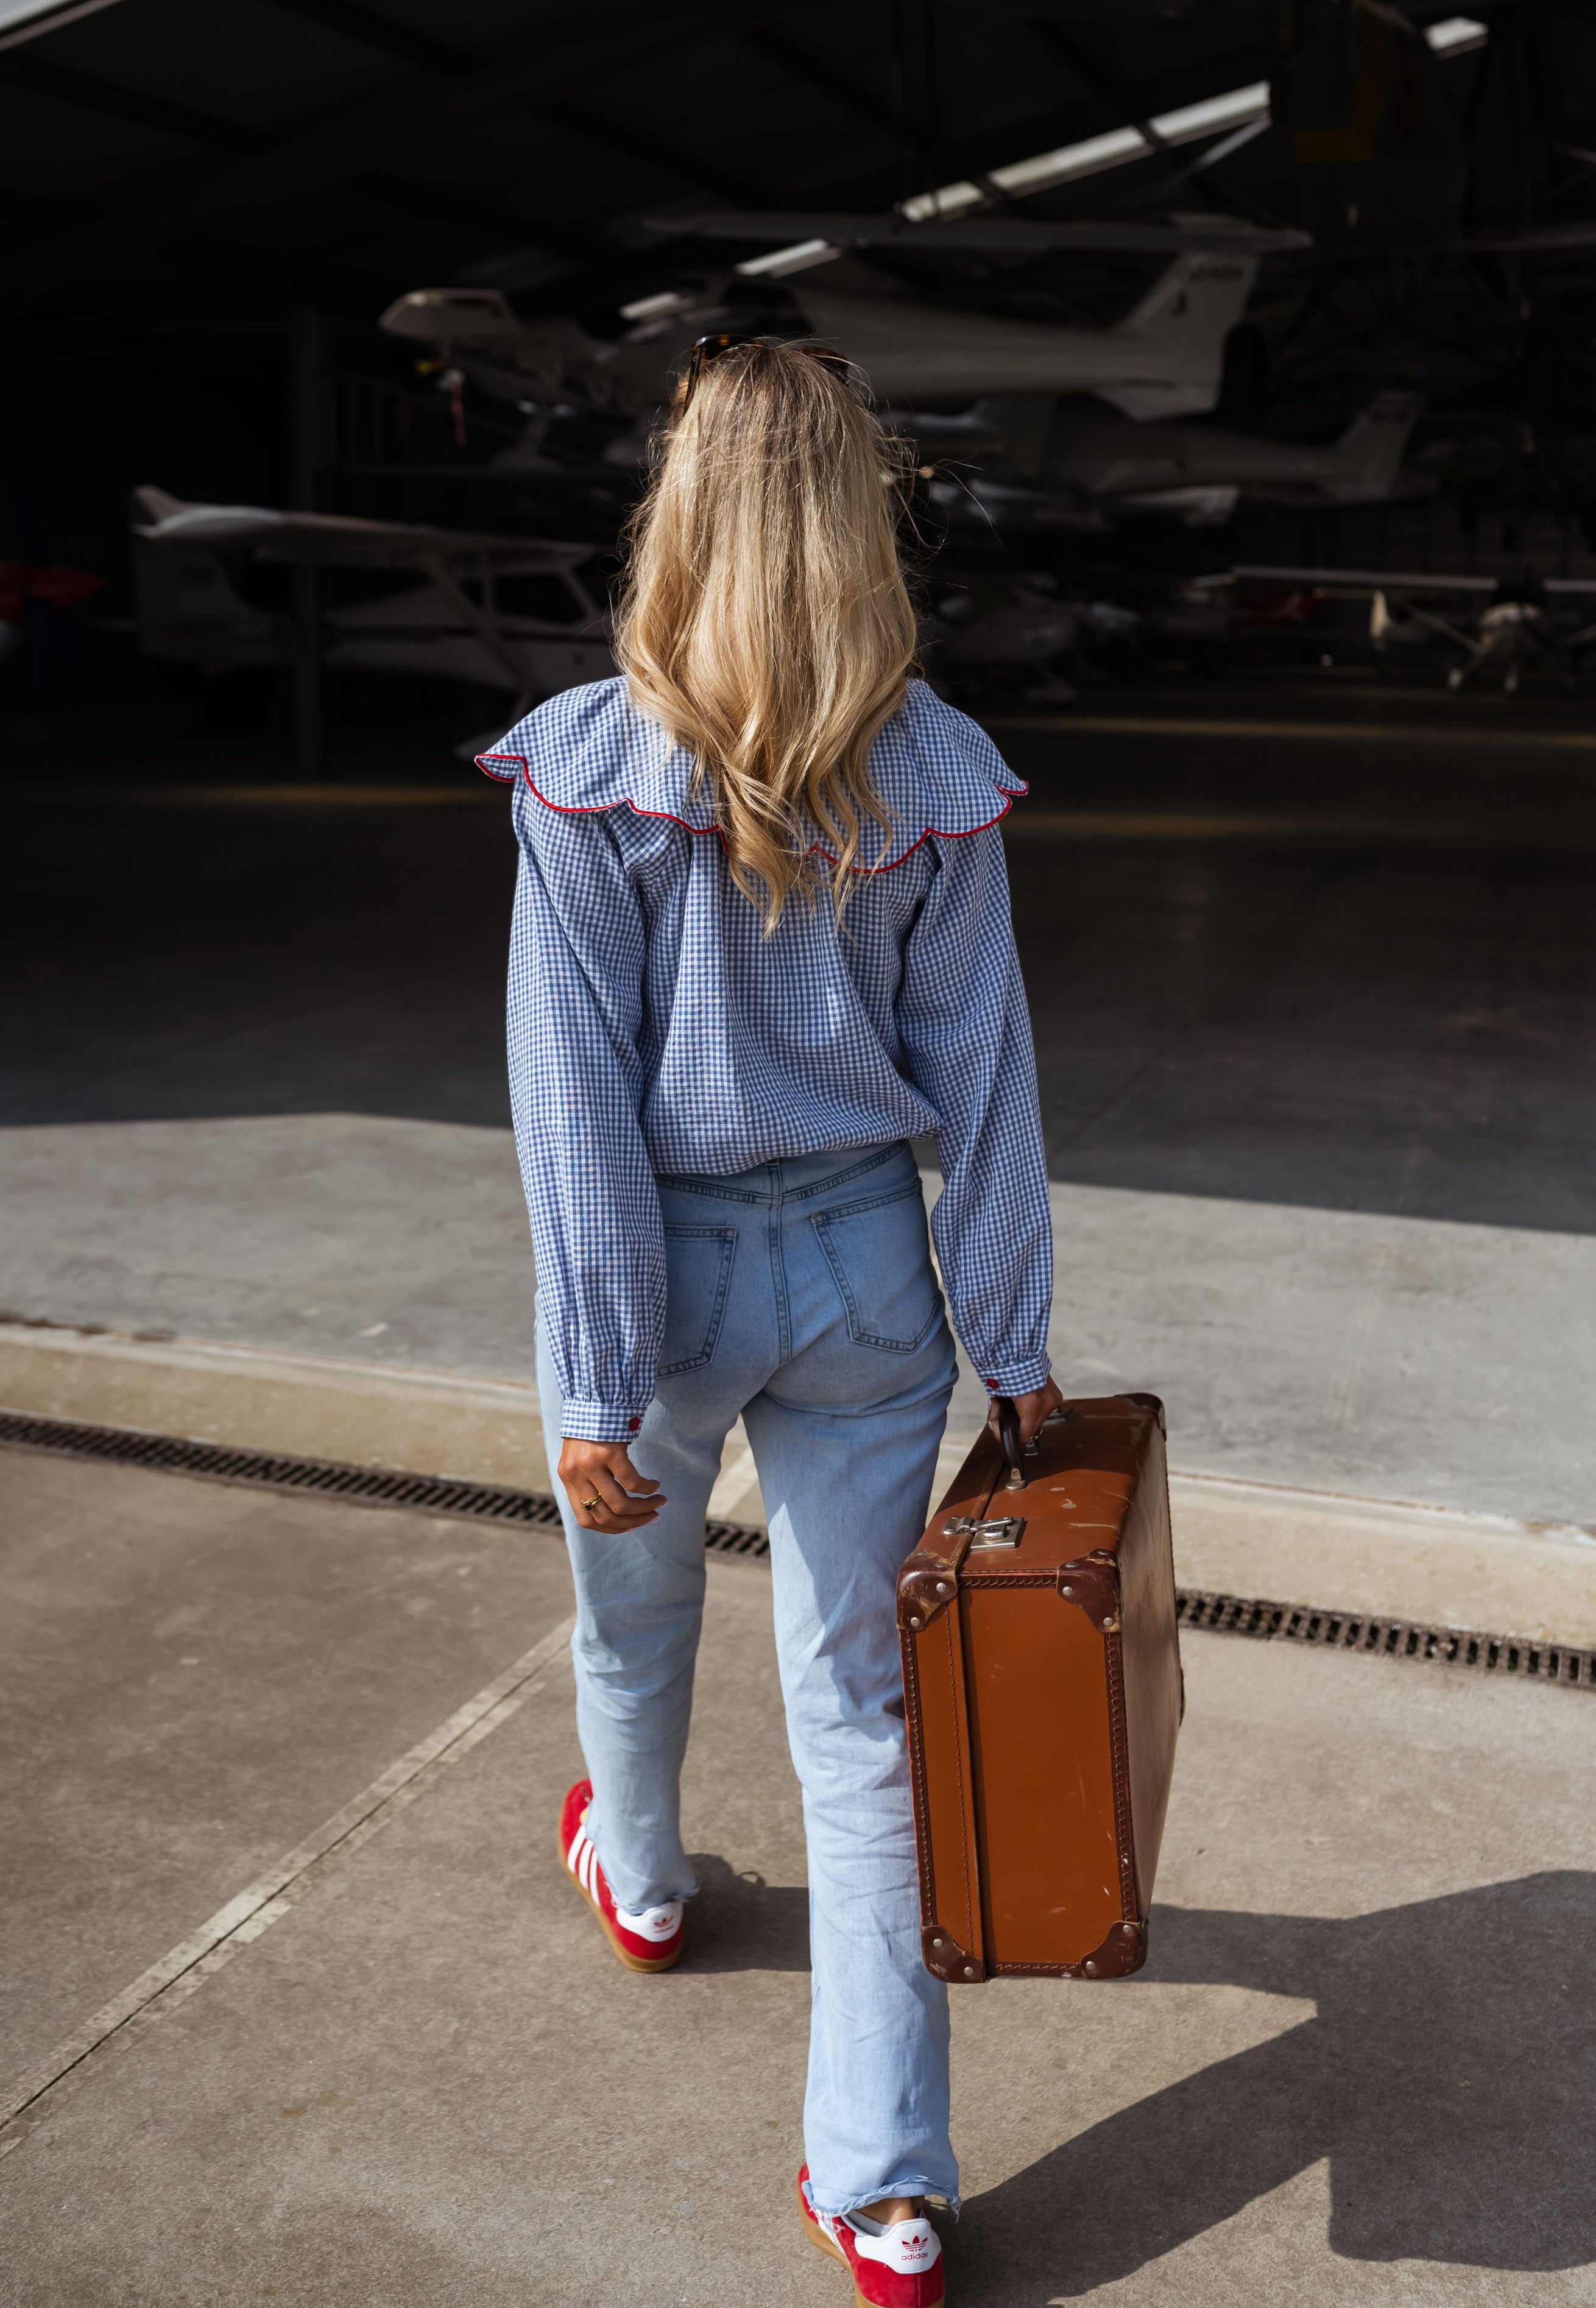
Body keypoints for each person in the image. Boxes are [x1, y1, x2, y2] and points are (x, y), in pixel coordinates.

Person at [479, 334, 1056, 2308]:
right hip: (868, 1288)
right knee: (861, 1720)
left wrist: (592, 1383)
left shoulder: (587, 764)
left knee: (629, 1619)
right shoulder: (932, 768)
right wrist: (1016, 1346)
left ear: (683, 508)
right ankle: (886, 2191)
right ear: (858, 522)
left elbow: (571, 1112)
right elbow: (983, 1084)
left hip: (666, 1274)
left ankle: (636, 1880)